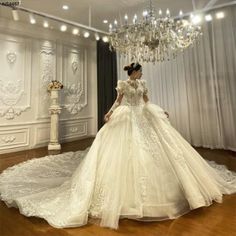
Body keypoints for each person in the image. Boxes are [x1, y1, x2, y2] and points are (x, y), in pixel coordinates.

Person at [0, 62, 235, 230]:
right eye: (139, 70)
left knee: (158, 150)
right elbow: (118, 101)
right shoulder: (123, 84)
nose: (141, 73)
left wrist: (159, 111)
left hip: (143, 116)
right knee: (120, 152)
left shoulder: (142, 84)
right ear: (132, 72)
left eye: (141, 71)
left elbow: (146, 101)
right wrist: (110, 112)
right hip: (126, 117)